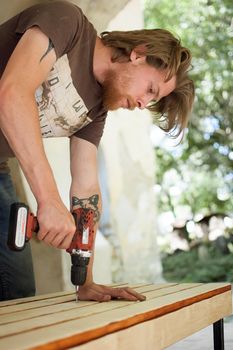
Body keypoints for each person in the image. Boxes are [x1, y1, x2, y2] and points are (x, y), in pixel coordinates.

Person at [0, 1, 194, 301]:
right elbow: (12, 92)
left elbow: (86, 189)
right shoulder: (67, 22)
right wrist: (49, 200)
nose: (143, 103)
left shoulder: (97, 108)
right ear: (139, 54)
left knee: (16, 289)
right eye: (150, 90)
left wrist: (85, 279)